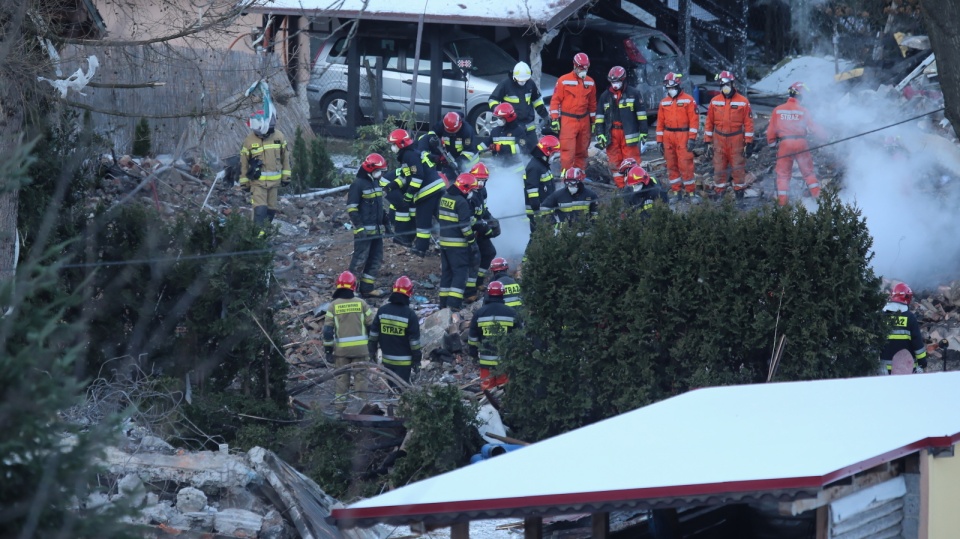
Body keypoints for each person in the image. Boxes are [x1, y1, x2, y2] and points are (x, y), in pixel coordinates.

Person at [767, 81, 827, 206]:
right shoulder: (804, 110)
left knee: (783, 175)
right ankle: (819, 201)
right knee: (808, 173)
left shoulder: (778, 110)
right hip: (801, 144)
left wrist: (772, 145)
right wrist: (825, 138)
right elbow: (813, 127)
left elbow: (771, 131)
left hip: (785, 144)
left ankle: (783, 205)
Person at [323, 271, 375, 413]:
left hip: (341, 352)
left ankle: (340, 410)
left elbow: (327, 331)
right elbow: (372, 326)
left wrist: (328, 351)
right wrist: (373, 347)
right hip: (361, 350)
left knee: (342, 380)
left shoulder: (333, 305)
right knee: (361, 379)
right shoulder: (362, 303)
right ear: (354, 286)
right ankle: (362, 409)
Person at [388, 128, 445, 256]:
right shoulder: (409, 154)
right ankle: (451, 240)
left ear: (400, 144)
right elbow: (405, 176)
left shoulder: (409, 155)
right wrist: (392, 185)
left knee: (422, 220)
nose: (392, 148)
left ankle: (421, 248)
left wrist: (409, 194)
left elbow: (417, 177)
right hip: (435, 187)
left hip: (427, 191)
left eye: (393, 145)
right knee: (442, 216)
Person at [595, 66, 649, 189]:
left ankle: (635, 187)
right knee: (615, 163)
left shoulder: (633, 93)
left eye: (617, 81)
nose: (615, 84)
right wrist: (600, 133)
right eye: (613, 82)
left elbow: (641, 115)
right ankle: (621, 189)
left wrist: (644, 131)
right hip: (612, 134)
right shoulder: (605, 96)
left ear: (623, 80)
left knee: (632, 161)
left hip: (628, 133)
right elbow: (599, 117)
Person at [704, 71, 755, 199]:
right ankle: (720, 197)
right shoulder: (714, 101)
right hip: (719, 139)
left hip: (736, 139)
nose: (725, 87)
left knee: (738, 169)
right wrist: (707, 142)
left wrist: (749, 143)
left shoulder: (743, 101)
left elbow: (749, 124)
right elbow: (709, 122)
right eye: (722, 85)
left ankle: (739, 199)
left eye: (727, 84)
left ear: (732, 84)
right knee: (719, 169)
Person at [238, 110, 291, 227]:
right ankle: (256, 236)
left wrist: (286, 177)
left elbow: (285, 158)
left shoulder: (279, 136)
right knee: (259, 210)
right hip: (257, 183)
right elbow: (243, 163)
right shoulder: (249, 141)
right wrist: (244, 182)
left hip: (274, 183)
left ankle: (263, 235)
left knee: (271, 211)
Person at [347, 153, 388, 298]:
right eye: (379, 170)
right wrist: (359, 228)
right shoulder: (358, 184)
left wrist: (386, 223)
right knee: (359, 260)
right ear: (370, 168)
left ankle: (367, 288)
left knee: (375, 259)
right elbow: (352, 208)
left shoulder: (375, 183)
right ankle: (349, 290)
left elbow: (379, 207)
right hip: (364, 232)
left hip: (376, 231)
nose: (381, 174)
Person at [368, 276, 422, 385]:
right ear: (409, 293)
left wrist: (371, 352)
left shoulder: (382, 311)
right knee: (402, 391)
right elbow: (414, 343)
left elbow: (373, 336)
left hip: (387, 361)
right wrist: (417, 361)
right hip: (404, 363)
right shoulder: (410, 314)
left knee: (392, 389)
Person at [468, 281, 521, 390]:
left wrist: (473, 354)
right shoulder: (512, 313)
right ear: (503, 294)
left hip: (485, 362)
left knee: (487, 394)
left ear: (488, 294)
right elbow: (519, 336)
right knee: (504, 392)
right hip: (505, 361)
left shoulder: (480, 313)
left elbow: (473, 337)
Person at [549, 52, 597, 172]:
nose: (584, 71)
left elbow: (592, 104)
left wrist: (594, 122)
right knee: (567, 152)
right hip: (568, 120)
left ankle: (580, 176)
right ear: (574, 66)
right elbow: (555, 101)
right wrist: (554, 119)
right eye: (581, 68)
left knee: (582, 151)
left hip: (584, 120)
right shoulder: (563, 81)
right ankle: (567, 178)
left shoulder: (590, 82)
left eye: (586, 68)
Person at [655, 72, 699, 200]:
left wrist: (692, 138)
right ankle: (676, 192)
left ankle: (691, 193)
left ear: (678, 86)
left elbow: (694, 121)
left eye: (673, 88)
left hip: (683, 135)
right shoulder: (664, 103)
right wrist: (659, 141)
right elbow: (660, 123)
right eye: (668, 88)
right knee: (671, 164)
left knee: (685, 164)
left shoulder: (689, 100)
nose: (671, 90)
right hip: (668, 136)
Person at [438, 173, 478, 311]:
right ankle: (454, 304)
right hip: (458, 245)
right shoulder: (461, 202)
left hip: (444, 243)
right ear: (465, 188)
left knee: (447, 273)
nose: (472, 193)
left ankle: (443, 303)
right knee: (460, 273)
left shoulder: (445, 197)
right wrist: (472, 241)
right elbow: (465, 227)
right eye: (471, 190)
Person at [465, 162, 500, 301]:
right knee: (474, 260)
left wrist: (491, 220)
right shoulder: (468, 194)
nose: (480, 184)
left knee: (490, 252)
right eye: (478, 180)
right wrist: (485, 228)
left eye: (483, 181)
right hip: (471, 232)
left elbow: (483, 210)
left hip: (480, 228)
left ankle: (478, 282)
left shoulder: (482, 192)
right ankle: (469, 292)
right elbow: (470, 218)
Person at [489, 61, 551, 138]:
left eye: (525, 80)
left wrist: (545, 115)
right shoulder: (505, 84)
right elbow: (493, 100)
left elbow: (537, 102)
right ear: (514, 76)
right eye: (520, 80)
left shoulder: (530, 84)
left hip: (528, 126)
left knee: (532, 148)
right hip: (511, 126)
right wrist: (499, 114)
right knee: (513, 149)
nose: (522, 82)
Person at [881, 282, 927, 374]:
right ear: (907, 297)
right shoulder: (910, 317)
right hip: (906, 369)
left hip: (884, 369)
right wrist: (922, 363)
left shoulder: (882, 315)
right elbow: (917, 342)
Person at [522, 134, 561, 232]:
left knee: (546, 238)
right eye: (553, 153)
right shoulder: (534, 167)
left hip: (545, 210)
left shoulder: (543, 165)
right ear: (547, 152)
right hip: (538, 212)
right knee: (538, 238)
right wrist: (537, 213)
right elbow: (532, 193)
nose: (554, 157)